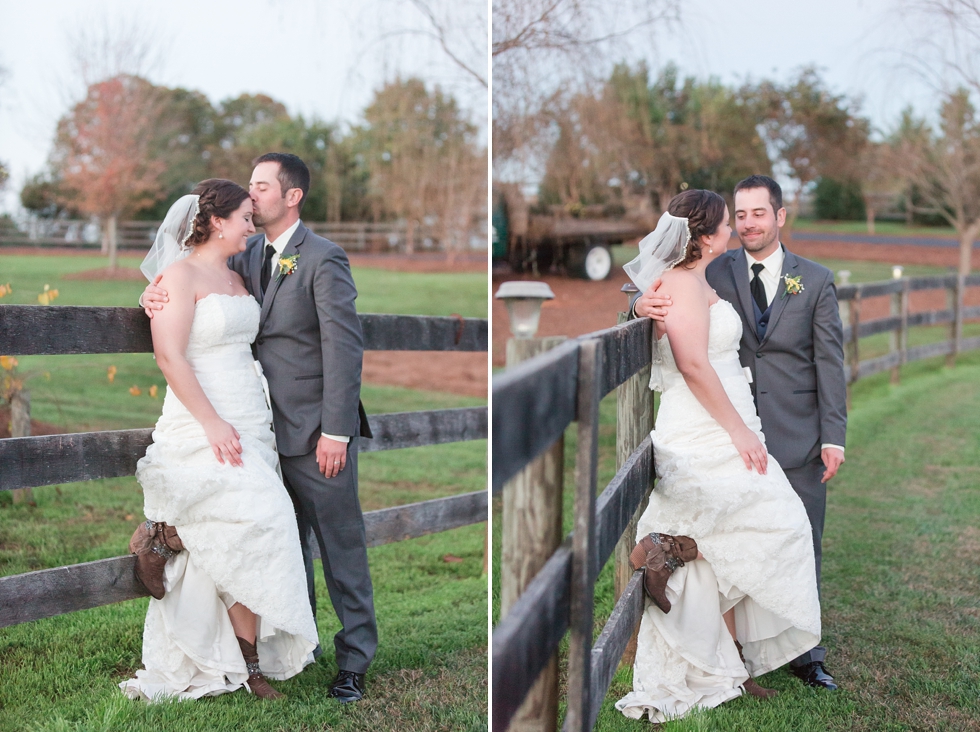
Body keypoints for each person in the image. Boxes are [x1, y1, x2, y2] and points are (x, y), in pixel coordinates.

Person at [140, 153, 377, 703]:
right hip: (256, 429)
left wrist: (336, 431)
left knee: (342, 548)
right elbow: (190, 291)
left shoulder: (323, 258)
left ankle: (354, 662)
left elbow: (345, 348)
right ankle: (295, 647)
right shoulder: (244, 258)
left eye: (261, 188)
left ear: (290, 196)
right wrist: (151, 294)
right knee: (276, 543)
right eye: (247, 193)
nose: (254, 197)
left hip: (317, 435)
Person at [615, 189, 822, 723]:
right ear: (705, 235)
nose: (734, 230)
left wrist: (741, 427)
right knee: (780, 524)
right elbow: (693, 366)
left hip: (730, 421)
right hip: (708, 425)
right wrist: (739, 433)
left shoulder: (700, 277)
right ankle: (671, 546)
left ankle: (724, 656)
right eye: (727, 223)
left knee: (741, 534)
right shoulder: (682, 285)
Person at [121, 179, 319, 701]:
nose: (252, 228)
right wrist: (210, 422)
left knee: (247, 534)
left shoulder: (239, 275)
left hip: (251, 418)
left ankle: (249, 664)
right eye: (245, 219)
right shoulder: (178, 276)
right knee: (264, 517)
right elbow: (170, 356)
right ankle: (165, 538)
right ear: (215, 222)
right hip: (202, 415)